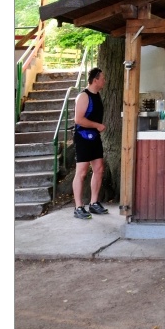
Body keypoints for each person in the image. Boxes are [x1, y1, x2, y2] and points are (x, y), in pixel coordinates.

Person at [72, 67, 109, 219]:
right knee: (81, 172)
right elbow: (78, 119)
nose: (104, 81)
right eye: (102, 78)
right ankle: (78, 207)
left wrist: (96, 128)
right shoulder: (83, 96)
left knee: (99, 168)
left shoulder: (97, 95)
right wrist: (97, 125)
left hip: (94, 137)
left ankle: (94, 203)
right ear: (95, 80)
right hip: (82, 137)